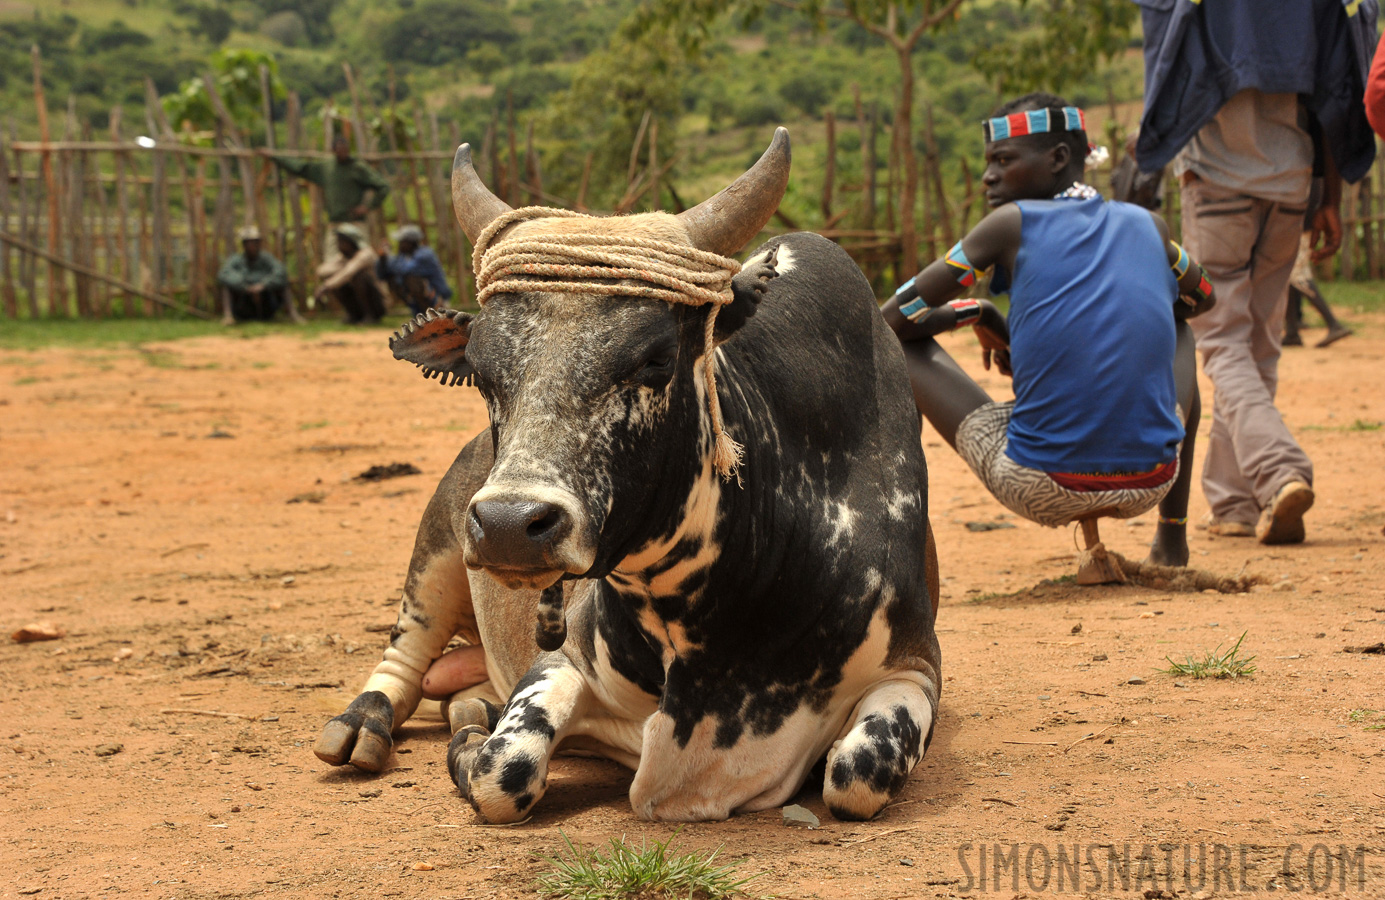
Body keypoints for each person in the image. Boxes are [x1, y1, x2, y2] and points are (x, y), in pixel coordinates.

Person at [882, 93, 1215, 575]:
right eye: (989, 163)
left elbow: (893, 318)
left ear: (1059, 158)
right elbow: (1203, 297)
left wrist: (973, 310)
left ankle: (901, 558)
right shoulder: (1148, 224)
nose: (988, 175)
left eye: (1003, 160)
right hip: (1153, 478)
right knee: (1182, 332)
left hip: (1039, 482)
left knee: (901, 350)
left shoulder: (1007, 224)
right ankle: (1172, 542)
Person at [1134, 0, 1377, 544]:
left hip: (1217, 182)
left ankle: (1279, 469)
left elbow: (1169, 67)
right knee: (1258, 345)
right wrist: (1330, 198)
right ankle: (1233, 503)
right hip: (1291, 182)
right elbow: (1333, 93)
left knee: (1221, 343)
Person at [265, 134, 390, 307]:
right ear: (333, 150)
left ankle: (379, 302)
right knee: (331, 267)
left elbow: (383, 186)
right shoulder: (326, 168)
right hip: (335, 226)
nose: (343, 153)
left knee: (364, 265)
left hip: (355, 225)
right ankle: (352, 306)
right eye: (339, 150)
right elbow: (301, 168)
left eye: (346, 150)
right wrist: (274, 156)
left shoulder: (358, 168)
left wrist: (367, 207)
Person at [1284, 231, 1352, 348]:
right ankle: (1291, 333)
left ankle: (1334, 324)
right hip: (1296, 227)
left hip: (1297, 228)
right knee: (1290, 276)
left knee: (1298, 275)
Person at [316, 223, 386, 325]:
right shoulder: (345, 257)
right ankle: (353, 315)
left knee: (358, 277)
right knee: (336, 279)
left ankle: (371, 315)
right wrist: (342, 268)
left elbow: (348, 273)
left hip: (379, 302)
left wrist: (325, 286)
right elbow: (321, 271)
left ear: (351, 242)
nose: (338, 245)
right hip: (358, 301)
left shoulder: (366, 254)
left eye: (341, 241)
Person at [376, 224, 453, 316]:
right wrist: (382, 259)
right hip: (421, 298)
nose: (399, 244)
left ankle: (431, 313)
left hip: (437, 297)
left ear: (410, 243)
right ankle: (419, 313)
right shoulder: (404, 256)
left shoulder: (425, 254)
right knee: (392, 279)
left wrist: (389, 255)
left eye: (402, 242)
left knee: (411, 279)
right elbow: (382, 274)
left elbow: (405, 270)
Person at [217, 225, 288, 323]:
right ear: (243, 244)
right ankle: (228, 317)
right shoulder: (236, 260)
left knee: (283, 283)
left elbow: (281, 272)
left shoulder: (267, 259)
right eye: (248, 242)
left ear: (259, 243)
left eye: (254, 242)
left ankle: (292, 314)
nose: (252, 245)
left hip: (266, 304)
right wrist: (245, 287)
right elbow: (224, 274)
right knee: (226, 287)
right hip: (243, 305)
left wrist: (263, 285)